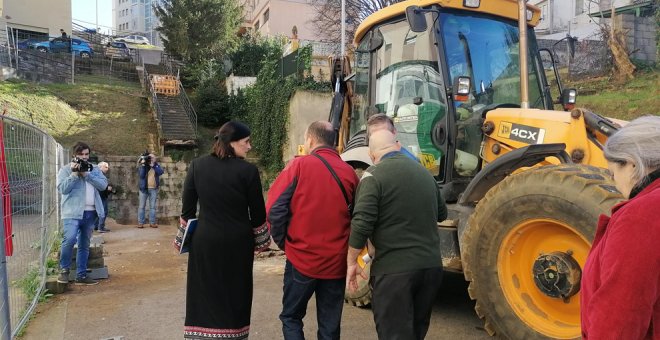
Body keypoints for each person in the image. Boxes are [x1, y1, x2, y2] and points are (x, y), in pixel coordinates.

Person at [347, 130, 447, 340]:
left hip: (394, 273)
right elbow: (442, 214)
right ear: (398, 145)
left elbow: (362, 223)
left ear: (372, 155)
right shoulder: (425, 174)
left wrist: (351, 263)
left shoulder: (373, 176)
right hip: (430, 269)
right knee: (416, 332)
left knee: (394, 334)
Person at [266, 121, 359, 340]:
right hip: (336, 264)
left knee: (291, 317)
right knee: (329, 326)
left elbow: (274, 210)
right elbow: (358, 217)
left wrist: (285, 243)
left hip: (302, 260)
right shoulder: (349, 173)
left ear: (310, 139)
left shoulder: (298, 166)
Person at [181, 121, 266, 339]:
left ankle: (200, 335)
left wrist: (182, 240)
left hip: (205, 241)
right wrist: (262, 242)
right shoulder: (248, 171)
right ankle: (234, 334)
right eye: (246, 142)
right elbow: (258, 215)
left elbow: (187, 211)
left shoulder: (197, 166)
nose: (249, 146)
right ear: (232, 143)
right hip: (238, 243)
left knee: (204, 290)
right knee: (236, 291)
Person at [580, 116, 660, 339]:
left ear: (632, 164)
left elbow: (620, 315)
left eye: (613, 173)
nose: (615, 182)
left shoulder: (642, 217)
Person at [56, 142, 107, 286]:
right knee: (70, 239)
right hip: (72, 212)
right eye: (81, 154)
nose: (84, 157)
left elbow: (103, 185)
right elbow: (63, 189)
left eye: (86, 154)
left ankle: (81, 274)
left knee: (84, 244)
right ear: (75, 155)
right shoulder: (66, 170)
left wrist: (87, 175)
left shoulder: (94, 169)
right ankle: (64, 270)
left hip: (90, 212)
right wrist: (74, 174)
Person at [137, 152, 163, 228]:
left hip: (153, 189)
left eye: (153, 158)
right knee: (141, 206)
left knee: (152, 207)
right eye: (150, 157)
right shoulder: (143, 165)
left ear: (155, 159)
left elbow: (161, 172)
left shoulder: (156, 165)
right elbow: (141, 175)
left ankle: (152, 223)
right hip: (143, 189)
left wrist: (154, 166)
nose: (151, 159)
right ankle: (140, 223)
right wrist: (143, 165)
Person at [94, 162, 114, 233]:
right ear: (100, 167)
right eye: (105, 167)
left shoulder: (97, 174)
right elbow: (100, 185)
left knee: (98, 211)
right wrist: (107, 188)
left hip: (100, 194)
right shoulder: (99, 175)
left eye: (107, 167)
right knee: (103, 211)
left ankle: (97, 226)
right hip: (100, 195)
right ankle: (100, 227)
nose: (107, 169)